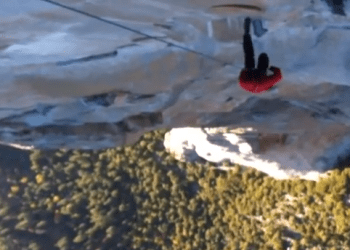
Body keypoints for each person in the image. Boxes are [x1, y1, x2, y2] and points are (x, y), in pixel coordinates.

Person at [239, 17, 282, 93]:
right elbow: (243, 82)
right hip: (244, 81)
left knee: (258, 61)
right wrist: (245, 71)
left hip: (249, 79)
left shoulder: (268, 83)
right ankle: (246, 32)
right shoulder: (262, 89)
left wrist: (271, 68)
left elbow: (279, 76)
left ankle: (262, 57)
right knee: (249, 56)